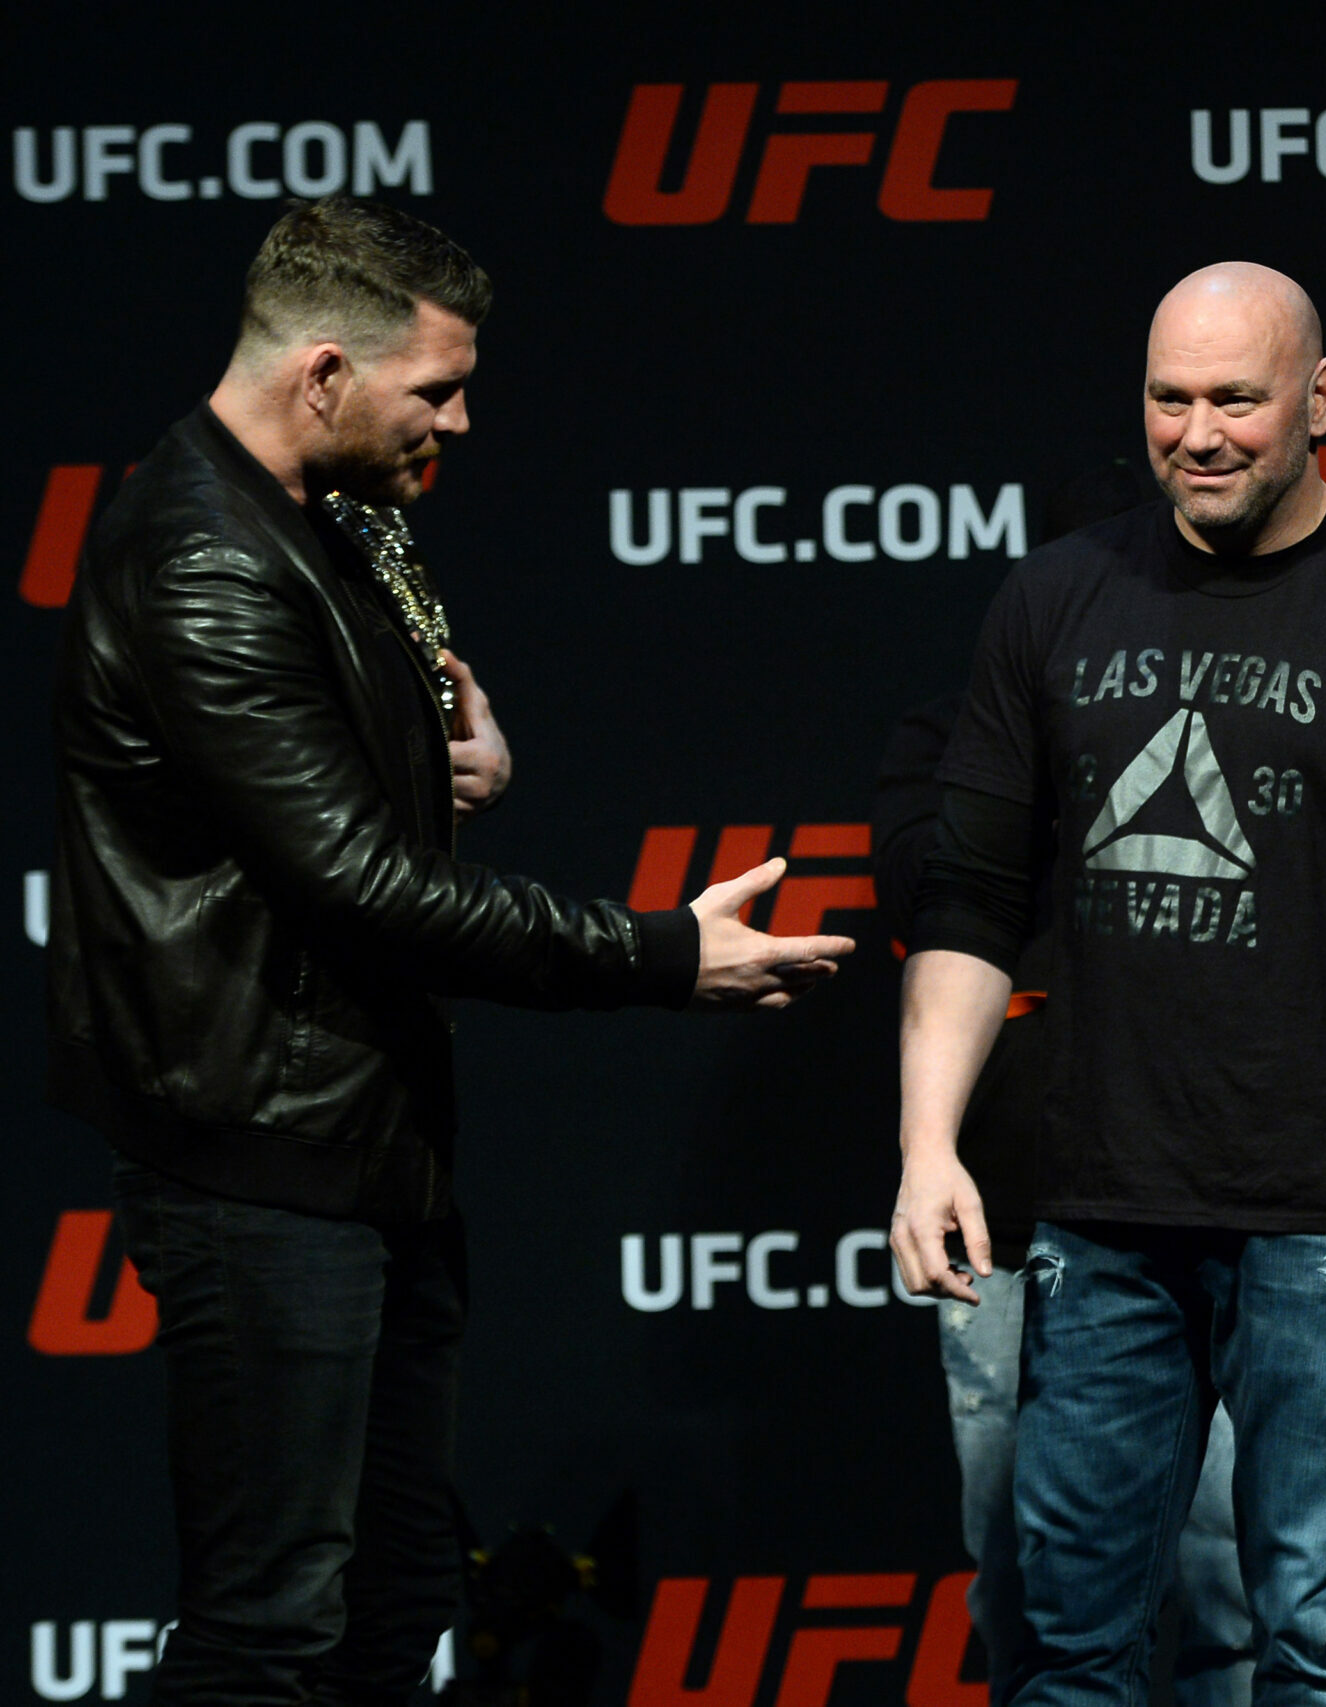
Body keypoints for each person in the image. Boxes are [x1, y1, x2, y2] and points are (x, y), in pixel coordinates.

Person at [48, 197, 856, 1707]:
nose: (461, 421)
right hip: (260, 1159)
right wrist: (660, 956)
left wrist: (445, 750)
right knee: (267, 1632)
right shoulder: (205, 556)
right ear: (323, 374)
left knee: (393, 1604)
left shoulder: (325, 516)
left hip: (364, 1140)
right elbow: (363, 885)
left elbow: (350, 770)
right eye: (436, 388)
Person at [887, 262, 1326, 1703]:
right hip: (1100, 1205)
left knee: (1314, 1632)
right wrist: (928, 1145)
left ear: (1318, 398)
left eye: (1236, 399)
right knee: (1070, 1641)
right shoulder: (1054, 596)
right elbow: (972, 899)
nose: (1198, 434)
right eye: (1169, 399)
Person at [873, 462, 1252, 1707]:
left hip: (1218, 1181)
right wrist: (1077, 748)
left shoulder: (1248, 717)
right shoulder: (951, 733)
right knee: (1024, 1577)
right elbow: (928, 887)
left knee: (1232, 1572)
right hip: (1014, 1202)